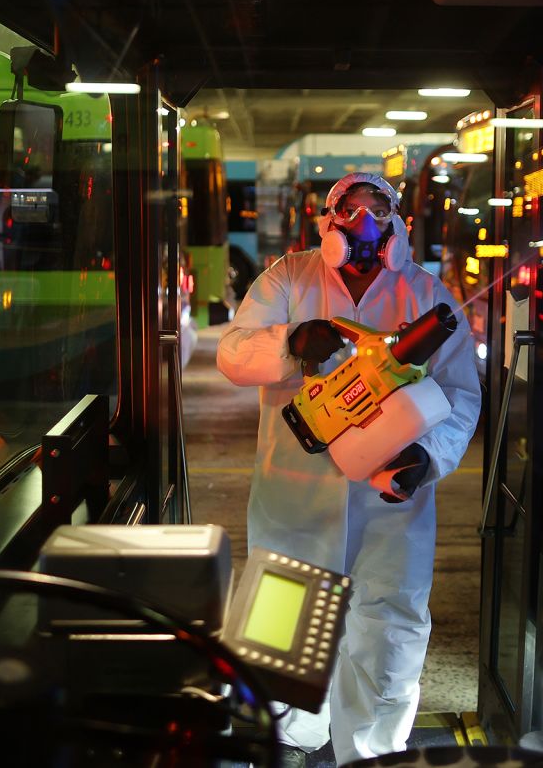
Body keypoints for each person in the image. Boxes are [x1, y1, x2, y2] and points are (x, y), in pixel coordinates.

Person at [217, 173, 480, 765]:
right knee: (283, 621)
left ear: (395, 222)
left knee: (388, 625)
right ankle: (283, 743)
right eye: (349, 208)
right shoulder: (289, 277)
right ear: (327, 218)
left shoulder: (424, 295)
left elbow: (461, 395)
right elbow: (233, 353)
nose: (361, 220)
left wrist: (427, 457)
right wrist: (292, 339)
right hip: (294, 496)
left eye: (375, 208)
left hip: (391, 499)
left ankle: (374, 753)